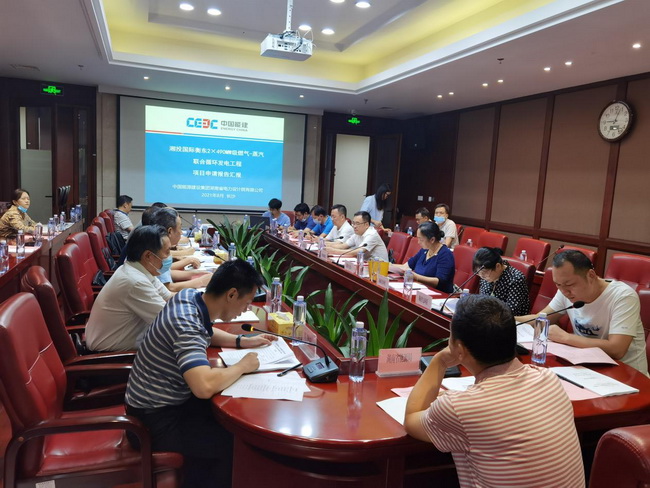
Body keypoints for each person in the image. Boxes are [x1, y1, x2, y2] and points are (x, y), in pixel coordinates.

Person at [404, 294, 585, 488]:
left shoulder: (459, 407)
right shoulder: (548, 378)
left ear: (459, 349)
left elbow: (411, 419)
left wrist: (439, 361)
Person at [125, 260, 276, 487]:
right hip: (153, 422)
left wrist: (241, 341)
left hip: (161, 404)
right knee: (234, 444)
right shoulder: (187, 325)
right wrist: (242, 366)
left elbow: (206, 331)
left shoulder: (188, 298)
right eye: (246, 303)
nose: (246, 309)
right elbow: (203, 387)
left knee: (224, 417)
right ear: (231, 294)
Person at [516, 249, 648, 375]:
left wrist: (566, 337)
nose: (564, 291)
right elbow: (540, 318)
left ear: (591, 275)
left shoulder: (623, 296)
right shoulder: (564, 290)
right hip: (586, 367)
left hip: (627, 374)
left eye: (569, 285)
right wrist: (508, 319)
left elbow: (617, 349)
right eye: (558, 285)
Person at [85, 225, 173, 352]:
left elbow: (169, 297)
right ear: (148, 256)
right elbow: (170, 322)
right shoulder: (135, 282)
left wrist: (199, 297)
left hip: (128, 342)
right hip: (112, 356)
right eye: (167, 252)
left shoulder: (139, 269)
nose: (170, 256)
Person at [149, 207, 212, 292]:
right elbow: (168, 288)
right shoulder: (156, 252)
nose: (181, 232)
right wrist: (200, 282)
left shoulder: (157, 244)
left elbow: (168, 273)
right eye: (180, 228)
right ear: (170, 231)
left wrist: (197, 274)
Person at [392, 222, 455, 293]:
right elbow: (406, 267)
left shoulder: (445, 254)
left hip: (437, 294)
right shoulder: (424, 250)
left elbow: (439, 281)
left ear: (432, 240)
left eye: (421, 239)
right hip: (419, 290)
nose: (418, 242)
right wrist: (388, 265)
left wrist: (416, 277)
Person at [473, 247, 530, 315]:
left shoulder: (516, 279)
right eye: (478, 273)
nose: (482, 276)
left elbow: (511, 311)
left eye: (484, 273)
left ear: (498, 266)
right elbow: (482, 301)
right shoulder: (485, 276)